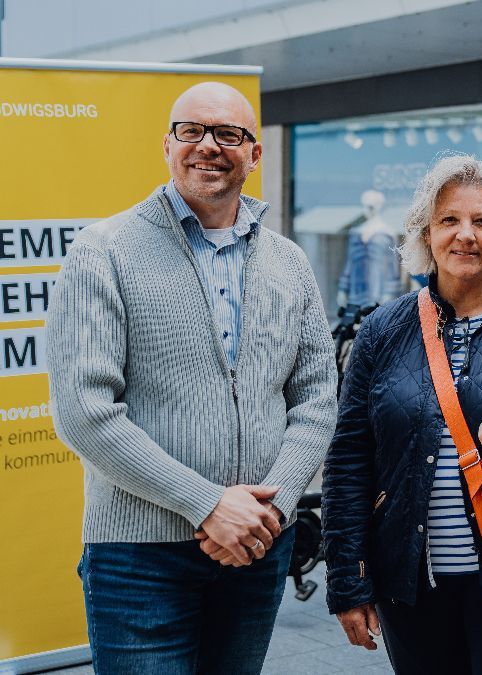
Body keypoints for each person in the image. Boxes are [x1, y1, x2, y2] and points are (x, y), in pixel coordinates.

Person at [46, 82, 338, 673]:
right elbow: (85, 410)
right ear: (167, 144)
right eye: (192, 131)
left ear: (254, 155)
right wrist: (206, 506)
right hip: (138, 556)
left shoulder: (289, 262)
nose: (208, 146)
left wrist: (268, 512)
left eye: (229, 134)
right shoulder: (103, 250)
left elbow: (315, 399)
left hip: (258, 545)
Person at [323, 154, 482, 674]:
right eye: (450, 220)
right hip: (412, 583)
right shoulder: (382, 329)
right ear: (427, 231)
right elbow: (350, 454)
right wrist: (347, 579)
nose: (466, 235)